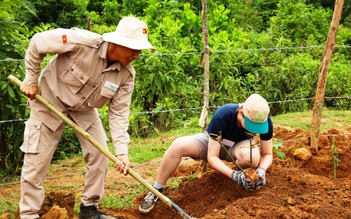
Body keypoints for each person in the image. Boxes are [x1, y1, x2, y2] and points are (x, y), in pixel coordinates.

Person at [19, 16, 154, 219]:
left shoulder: (126, 74)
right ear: (117, 42)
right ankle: (28, 214)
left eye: (140, 50)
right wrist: (31, 78)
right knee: (36, 160)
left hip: (84, 110)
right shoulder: (81, 41)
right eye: (133, 49)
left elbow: (119, 113)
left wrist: (122, 153)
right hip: (50, 101)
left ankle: (89, 208)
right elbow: (38, 42)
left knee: (100, 154)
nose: (136, 55)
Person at [139, 93, 274, 214]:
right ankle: (156, 190)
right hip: (213, 143)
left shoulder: (264, 120)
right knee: (177, 145)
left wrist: (261, 170)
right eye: (250, 125)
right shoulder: (224, 114)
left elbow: (267, 154)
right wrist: (234, 175)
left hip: (239, 147)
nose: (254, 130)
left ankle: (240, 180)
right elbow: (212, 156)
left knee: (253, 157)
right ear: (241, 112)